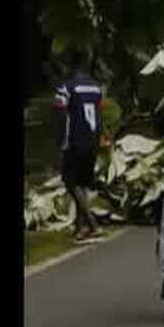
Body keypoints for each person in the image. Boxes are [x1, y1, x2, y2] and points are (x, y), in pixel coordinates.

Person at [54, 61, 104, 243]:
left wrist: (60, 138)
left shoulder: (67, 88)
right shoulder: (97, 88)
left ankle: (92, 224)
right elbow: (99, 112)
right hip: (92, 141)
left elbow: (59, 109)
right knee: (82, 184)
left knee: (70, 182)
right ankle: (79, 229)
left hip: (75, 141)